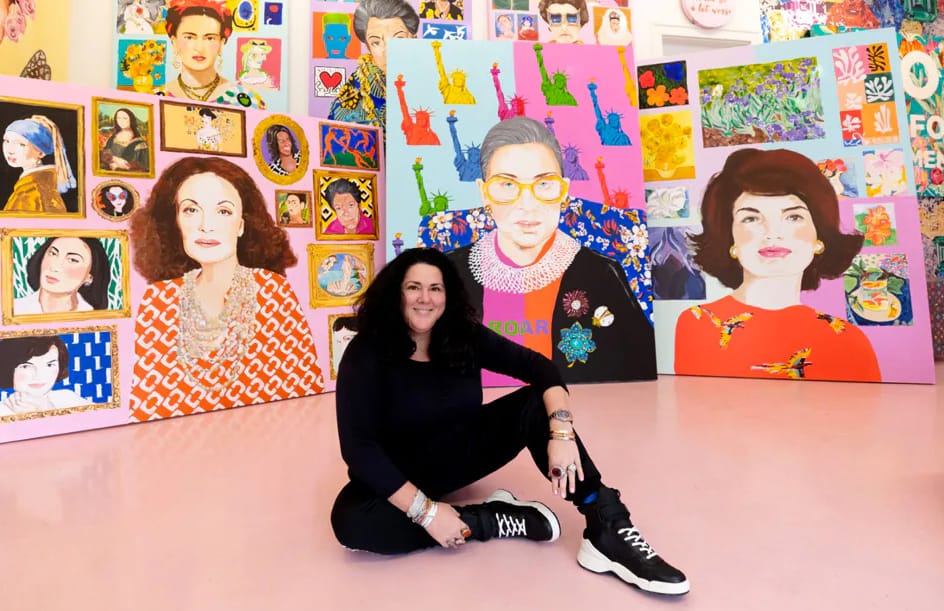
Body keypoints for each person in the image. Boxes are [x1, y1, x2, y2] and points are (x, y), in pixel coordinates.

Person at [330, 248, 688, 596]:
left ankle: (606, 523)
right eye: (413, 287)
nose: (425, 299)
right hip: (398, 472)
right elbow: (359, 449)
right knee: (351, 523)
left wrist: (561, 433)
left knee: (534, 404)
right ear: (396, 294)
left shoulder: (463, 335)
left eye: (435, 288)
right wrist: (427, 513)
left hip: (460, 454)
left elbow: (539, 368)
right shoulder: (366, 354)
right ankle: (488, 518)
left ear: (447, 296)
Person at [447, 117, 655, 383]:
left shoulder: (601, 273)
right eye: (507, 185)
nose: (527, 204)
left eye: (544, 184)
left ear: (564, 190)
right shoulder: (449, 272)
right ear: (484, 192)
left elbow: (635, 367)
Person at [128, 156, 324, 421]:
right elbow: (146, 406)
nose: (206, 225)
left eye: (223, 211)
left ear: (242, 225)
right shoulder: (159, 300)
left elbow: (306, 393)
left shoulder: (272, 290)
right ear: (175, 222)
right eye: (190, 210)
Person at [675, 148, 881, 381]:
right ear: (729, 238)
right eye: (751, 218)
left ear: (819, 236)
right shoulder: (698, 324)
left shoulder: (848, 341)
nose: (772, 233)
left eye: (793, 217)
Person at [328, 0, 420, 129]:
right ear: (368, 47)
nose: (387, 50)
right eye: (376, 42)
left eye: (398, 39)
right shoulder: (355, 95)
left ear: (414, 40)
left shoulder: (434, 77)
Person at [161, 0, 265, 108]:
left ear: (221, 43)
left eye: (210, 38)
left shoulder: (249, 100)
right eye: (189, 37)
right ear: (174, 41)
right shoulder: (157, 97)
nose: (199, 48)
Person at [13, 236, 111, 315]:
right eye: (53, 253)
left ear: (89, 277)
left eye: (72, 260)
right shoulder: (15, 309)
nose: (54, 267)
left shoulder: (95, 318)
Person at [2, 115, 76, 213]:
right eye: (7, 141)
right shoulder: (45, 183)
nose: (10, 150)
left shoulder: (30, 192)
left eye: (21, 144)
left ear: (41, 153)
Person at [0, 336, 88, 417]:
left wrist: (46, 409)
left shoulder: (68, 397)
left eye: (49, 365)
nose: (39, 375)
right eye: (26, 366)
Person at [101, 108, 150, 173]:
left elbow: (144, 167)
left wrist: (124, 167)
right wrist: (113, 159)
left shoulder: (140, 143)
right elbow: (103, 157)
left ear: (131, 120)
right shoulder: (112, 139)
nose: (121, 121)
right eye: (118, 118)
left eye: (125, 118)